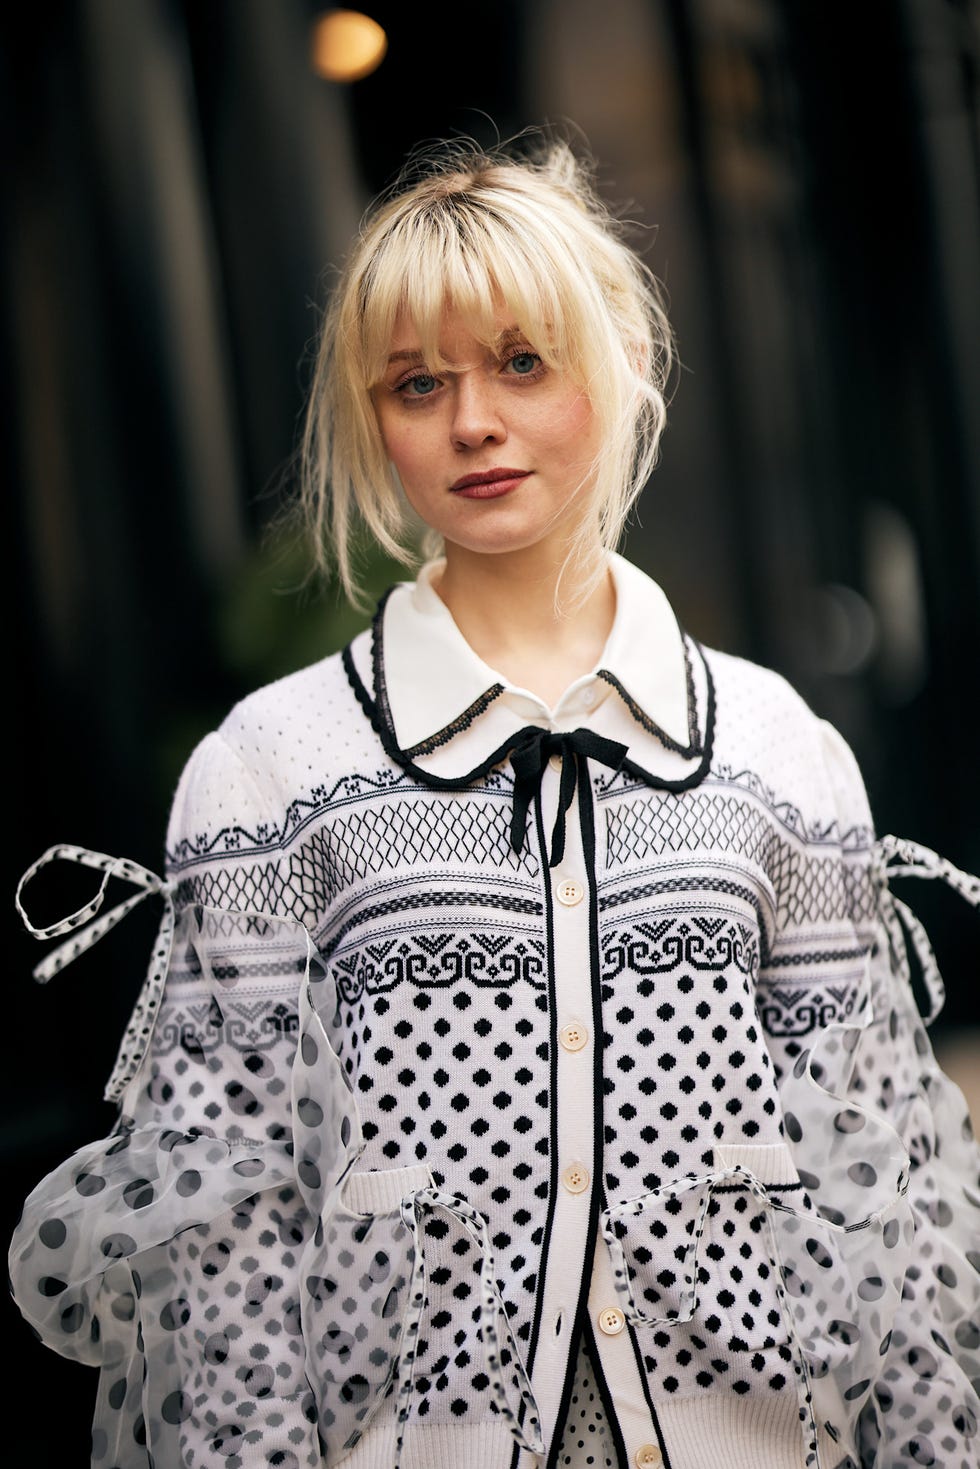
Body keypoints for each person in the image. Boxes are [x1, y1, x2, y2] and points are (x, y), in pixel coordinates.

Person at [10, 130, 980, 1469]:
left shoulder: (778, 753)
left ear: (621, 359)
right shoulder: (269, 771)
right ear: (373, 420)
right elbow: (227, 1245)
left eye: (523, 362)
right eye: (418, 384)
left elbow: (887, 1198)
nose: (473, 420)